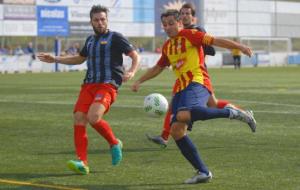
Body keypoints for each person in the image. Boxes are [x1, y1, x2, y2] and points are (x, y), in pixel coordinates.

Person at [131, 9, 256, 184]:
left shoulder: (190, 34)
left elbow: (215, 40)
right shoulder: (168, 46)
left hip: (198, 82)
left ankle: (233, 113)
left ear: (180, 23)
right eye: (165, 25)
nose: (168, 28)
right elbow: (158, 67)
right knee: (176, 131)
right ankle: (203, 172)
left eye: (171, 23)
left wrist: (240, 46)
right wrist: (139, 81)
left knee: (183, 114)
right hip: (182, 88)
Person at [37, 5, 139, 175]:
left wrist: (132, 71)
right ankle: (82, 162)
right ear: (91, 21)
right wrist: (55, 58)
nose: (100, 23)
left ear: (107, 20)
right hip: (89, 85)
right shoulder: (90, 40)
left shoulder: (116, 37)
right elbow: (79, 59)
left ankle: (114, 143)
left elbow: (134, 55)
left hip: (108, 84)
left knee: (93, 117)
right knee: (79, 118)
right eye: (96, 20)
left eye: (103, 19)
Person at [146, 3, 251, 148]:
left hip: (198, 75)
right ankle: (167, 135)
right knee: (206, 104)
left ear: (192, 17)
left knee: (197, 107)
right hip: (184, 77)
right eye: (182, 13)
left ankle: (237, 113)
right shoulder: (173, 39)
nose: (184, 15)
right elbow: (161, 64)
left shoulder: (196, 31)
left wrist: (238, 46)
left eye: (187, 13)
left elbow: (210, 48)